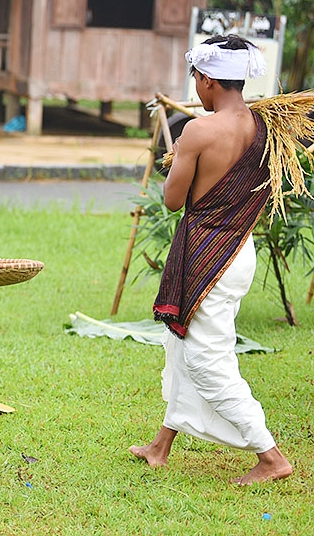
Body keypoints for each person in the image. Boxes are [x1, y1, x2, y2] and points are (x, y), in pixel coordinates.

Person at [130, 35, 292, 485]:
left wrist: (181, 158)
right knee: (183, 348)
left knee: (207, 360)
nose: (195, 88)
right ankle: (160, 445)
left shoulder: (198, 131)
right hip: (239, 252)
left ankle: (271, 456)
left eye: (196, 79)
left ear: (207, 80)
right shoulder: (265, 126)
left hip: (209, 258)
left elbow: (172, 200)